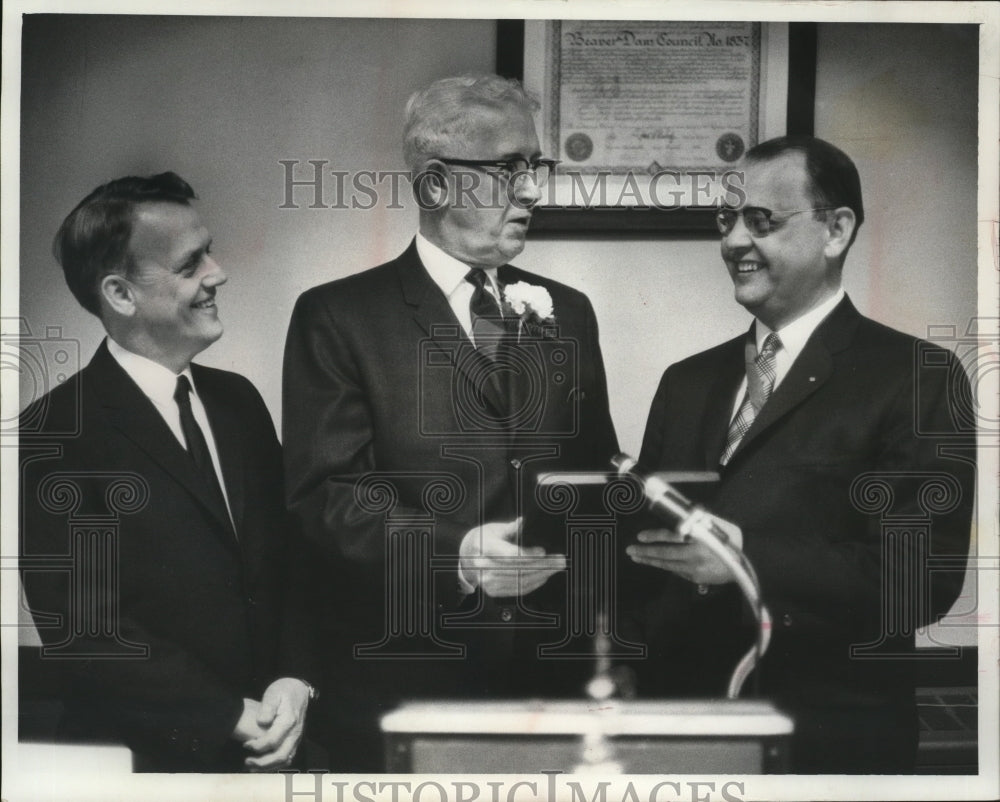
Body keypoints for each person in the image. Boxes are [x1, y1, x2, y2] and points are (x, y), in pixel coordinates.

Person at [282, 74, 619, 770]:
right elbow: (327, 499)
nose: (532, 191)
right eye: (508, 170)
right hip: (402, 681)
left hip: (553, 686)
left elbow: (594, 475)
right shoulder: (339, 317)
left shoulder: (570, 312)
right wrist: (459, 554)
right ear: (436, 187)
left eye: (536, 168)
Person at [627, 136, 975, 773]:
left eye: (761, 221)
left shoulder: (919, 376)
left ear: (836, 230)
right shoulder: (687, 380)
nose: (733, 241)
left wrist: (743, 558)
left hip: (828, 739)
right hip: (676, 732)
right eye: (726, 220)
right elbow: (650, 554)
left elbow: (920, 579)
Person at [19, 173, 317, 772]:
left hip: (273, 751)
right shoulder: (52, 435)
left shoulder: (239, 402)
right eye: (190, 264)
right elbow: (87, 633)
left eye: (209, 249)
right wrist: (232, 716)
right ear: (121, 294)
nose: (218, 272)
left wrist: (294, 678)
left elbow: (292, 557)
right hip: (142, 765)